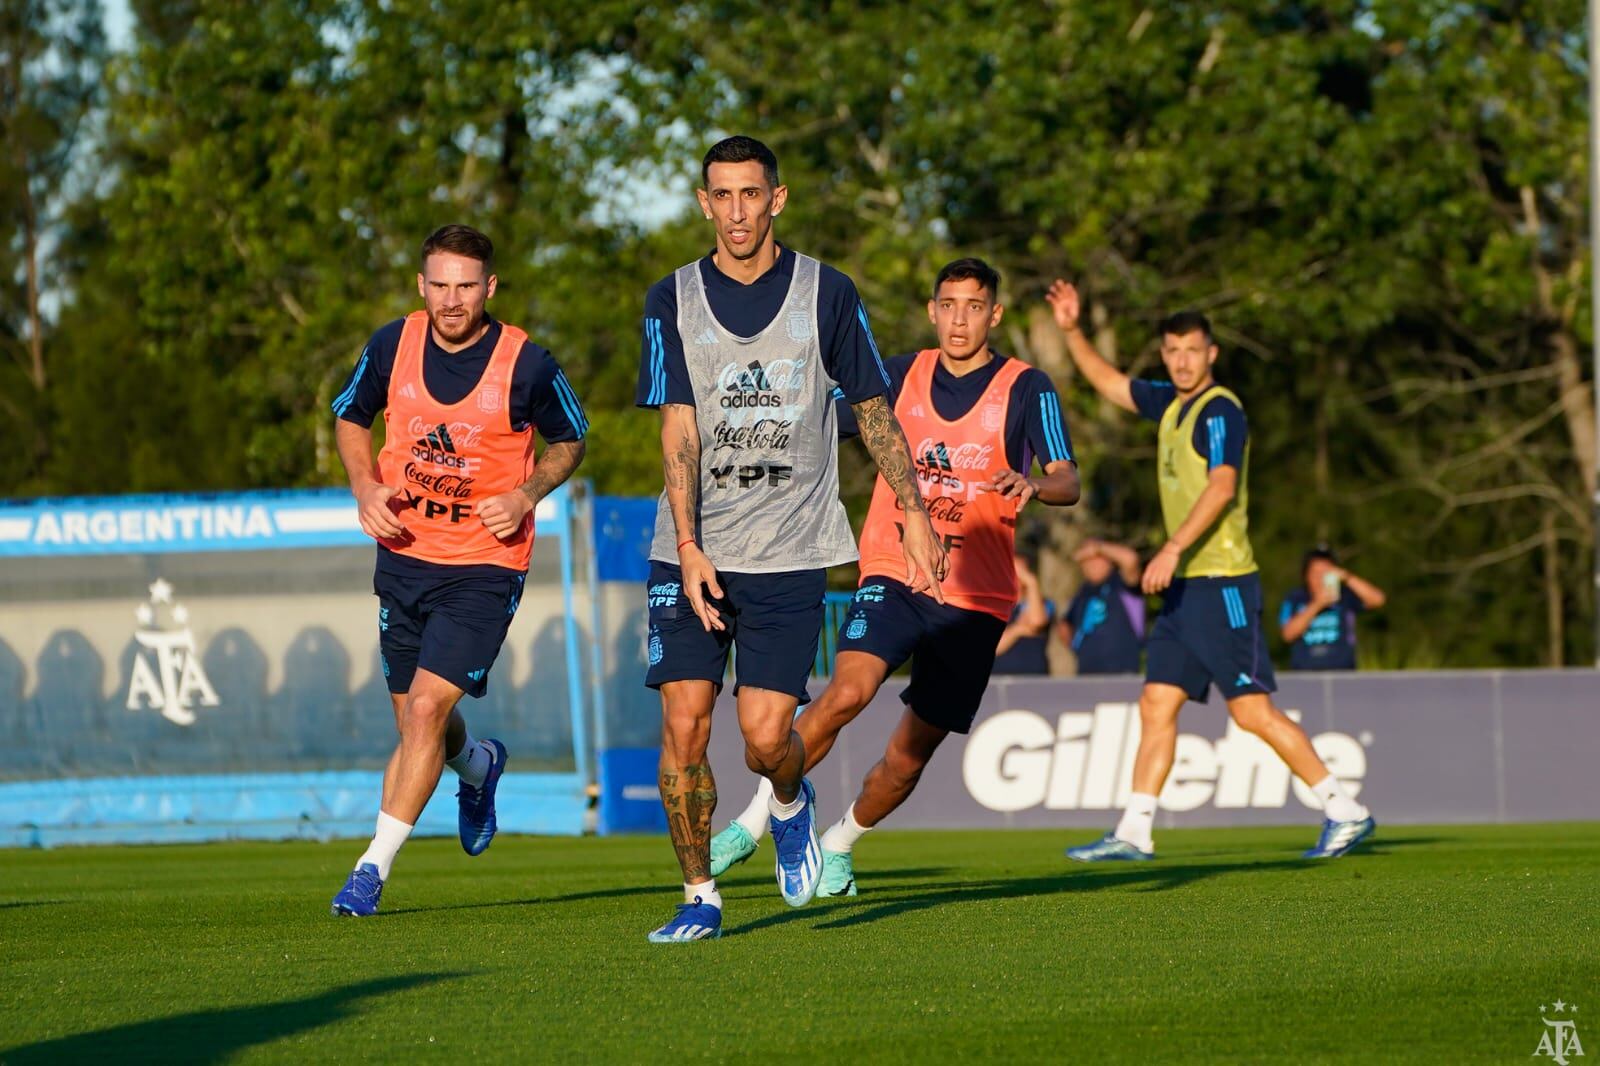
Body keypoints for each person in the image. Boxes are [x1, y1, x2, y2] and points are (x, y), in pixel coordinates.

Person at [634, 136, 946, 942]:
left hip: (793, 549)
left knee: (768, 740)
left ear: (778, 198)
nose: (736, 211)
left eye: (751, 194)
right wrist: (689, 541)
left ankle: (788, 801)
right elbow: (678, 428)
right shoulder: (669, 298)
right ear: (704, 203)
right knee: (685, 724)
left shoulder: (828, 293)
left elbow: (873, 408)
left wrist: (912, 510)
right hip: (688, 550)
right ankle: (700, 895)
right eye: (721, 196)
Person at [709, 257, 1080, 896]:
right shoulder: (899, 376)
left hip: (975, 600)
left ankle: (842, 844)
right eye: (948, 305)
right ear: (932, 309)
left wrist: (1035, 483)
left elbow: (1068, 479)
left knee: (909, 757)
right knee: (847, 693)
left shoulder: (1026, 388)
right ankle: (757, 819)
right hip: (894, 570)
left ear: (995, 314)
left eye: (973, 306)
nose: (959, 319)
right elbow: (817, 424)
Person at [1047, 280, 1374, 861]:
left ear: (1211, 354)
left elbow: (1222, 486)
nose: (1180, 360)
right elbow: (1110, 383)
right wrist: (1071, 330)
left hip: (1221, 582)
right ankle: (1135, 830)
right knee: (1157, 703)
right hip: (1184, 591)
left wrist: (1171, 549)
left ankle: (1344, 808)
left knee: (1250, 712)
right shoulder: (1171, 403)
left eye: (1191, 350)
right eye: (1171, 350)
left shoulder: (1220, 409)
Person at [327, 224, 588, 916]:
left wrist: (528, 493)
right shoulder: (393, 343)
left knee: (422, 712)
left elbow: (572, 438)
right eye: (439, 284)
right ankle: (478, 765)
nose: (451, 299)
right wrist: (363, 487)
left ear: (489, 288)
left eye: (466, 286)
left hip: (484, 567)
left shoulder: (526, 363)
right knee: (416, 725)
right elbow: (350, 418)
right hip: (403, 558)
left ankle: (370, 871)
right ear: (421, 285)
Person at [1279, 547, 1386, 670]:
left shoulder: (1345, 596)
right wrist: (1317, 604)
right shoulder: (1295, 599)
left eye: (1325, 573)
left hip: (1342, 674)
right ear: (1306, 575)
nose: (1320, 579)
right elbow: (1288, 634)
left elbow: (1378, 600)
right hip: (1305, 675)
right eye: (1315, 573)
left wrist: (1347, 577)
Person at [1059, 537, 1146, 674]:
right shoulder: (1082, 592)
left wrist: (1097, 548)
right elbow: (1064, 626)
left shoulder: (1121, 583)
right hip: (1086, 674)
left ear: (1110, 561)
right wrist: (1076, 647)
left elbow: (1130, 559)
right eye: (1087, 560)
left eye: (1097, 558)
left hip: (1122, 673)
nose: (1092, 564)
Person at [992, 553, 1054, 675]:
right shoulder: (991, 607)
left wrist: (1032, 583)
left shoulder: (1043, 603)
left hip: (1033, 680)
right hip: (997, 681)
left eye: (1020, 571)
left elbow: (1036, 622)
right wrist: (1017, 630)